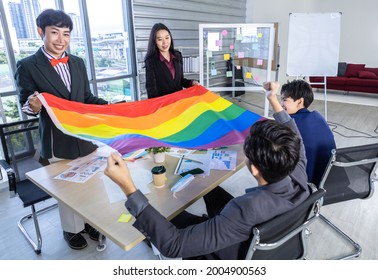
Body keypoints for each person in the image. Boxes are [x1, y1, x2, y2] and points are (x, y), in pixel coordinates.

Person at [104, 81, 310, 259]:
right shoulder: (298, 167)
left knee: (170, 218)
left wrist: (128, 186)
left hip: (230, 252)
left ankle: (150, 236)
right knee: (208, 188)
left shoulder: (244, 211)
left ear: (254, 169)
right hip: (273, 232)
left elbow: (174, 244)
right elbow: (295, 135)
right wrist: (272, 97)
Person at [14, 9, 108, 250]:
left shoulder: (78, 62)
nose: (61, 39)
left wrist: (110, 107)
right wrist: (33, 105)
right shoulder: (27, 65)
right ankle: (72, 230)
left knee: (92, 185)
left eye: (66, 33)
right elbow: (26, 106)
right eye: (54, 32)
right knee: (67, 191)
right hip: (57, 141)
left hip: (85, 137)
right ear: (40, 32)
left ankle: (91, 223)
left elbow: (85, 98)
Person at [279, 79, 336, 187]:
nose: (281, 104)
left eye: (284, 100)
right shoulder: (318, 117)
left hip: (303, 185)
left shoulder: (293, 123)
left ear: (300, 101)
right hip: (327, 182)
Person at [144, 23, 199, 98]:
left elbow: (180, 80)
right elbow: (151, 91)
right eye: (160, 39)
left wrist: (191, 83)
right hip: (165, 105)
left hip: (179, 102)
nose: (165, 42)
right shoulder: (151, 61)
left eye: (167, 38)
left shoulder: (177, 56)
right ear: (155, 42)